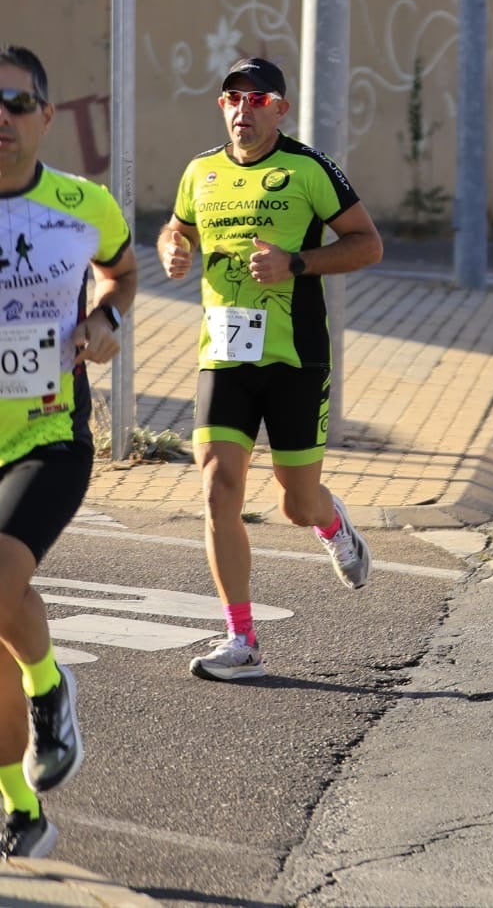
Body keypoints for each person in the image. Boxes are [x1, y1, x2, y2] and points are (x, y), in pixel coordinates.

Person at [160, 57, 384, 682]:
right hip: (224, 357)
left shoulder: (307, 169)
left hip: (295, 357)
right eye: (233, 98)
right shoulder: (200, 172)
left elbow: (368, 243)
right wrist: (174, 249)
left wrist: (297, 263)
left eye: (258, 99)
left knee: (296, 503)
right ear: (222, 106)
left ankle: (334, 524)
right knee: (217, 489)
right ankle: (241, 639)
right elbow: (176, 230)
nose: (243, 109)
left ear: (280, 109)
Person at [0, 46, 136, 859]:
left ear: (47, 116)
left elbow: (120, 271)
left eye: (17, 102)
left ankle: (51, 690)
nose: (1, 118)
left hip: (48, 438)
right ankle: (22, 804)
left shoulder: (83, 204)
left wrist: (106, 321)